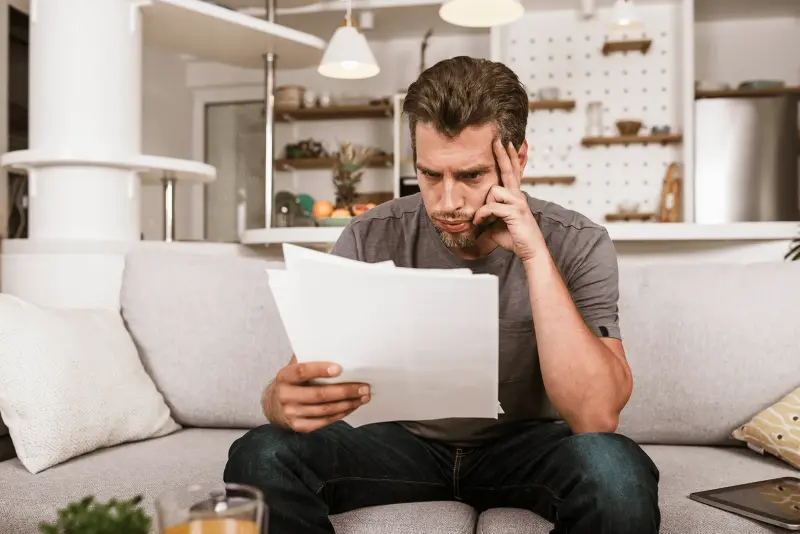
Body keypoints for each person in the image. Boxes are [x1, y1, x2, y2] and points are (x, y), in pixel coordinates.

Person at [224, 56, 660, 534]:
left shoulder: (577, 240)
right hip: (398, 446)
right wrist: (277, 401)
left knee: (616, 472)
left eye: (471, 176)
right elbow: (308, 380)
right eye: (431, 175)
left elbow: (595, 416)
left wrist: (534, 256)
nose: (447, 202)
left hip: (526, 448)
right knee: (261, 453)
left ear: (517, 158)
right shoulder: (370, 234)